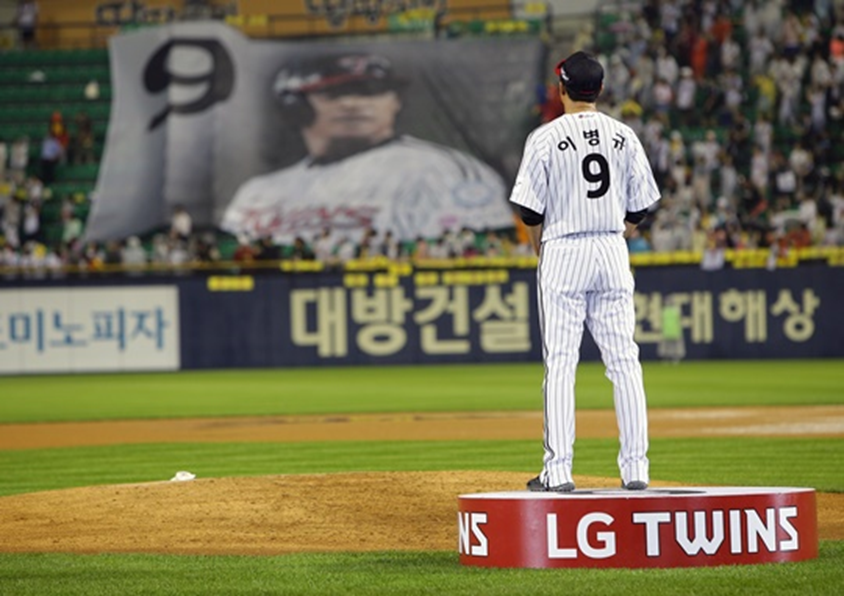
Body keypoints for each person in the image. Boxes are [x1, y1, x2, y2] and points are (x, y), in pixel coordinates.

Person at [509, 51, 661, 493]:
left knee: (561, 363)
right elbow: (641, 205)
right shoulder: (623, 135)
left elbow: (529, 210)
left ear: (561, 89)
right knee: (624, 361)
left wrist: (541, 250)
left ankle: (558, 471)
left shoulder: (545, 137)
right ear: (600, 89)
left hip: (564, 249)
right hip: (611, 249)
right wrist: (619, 233)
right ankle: (636, 468)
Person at [221, 53, 515, 245]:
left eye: (371, 92)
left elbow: (481, 246)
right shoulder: (259, 192)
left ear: (395, 101)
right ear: (295, 107)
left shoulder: (442, 169)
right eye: (334, 93)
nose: (353, 104)